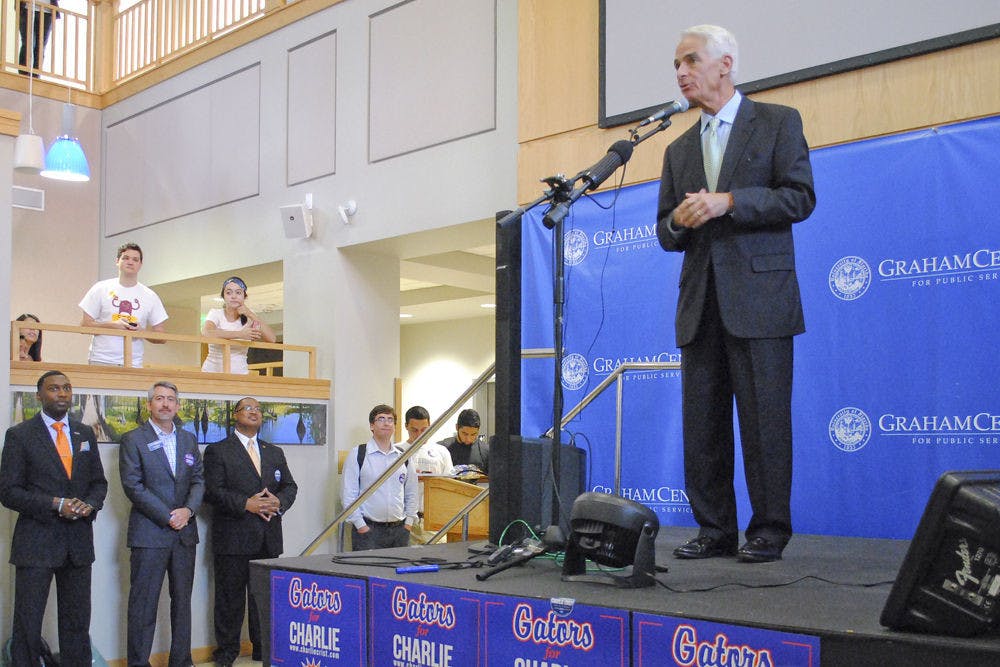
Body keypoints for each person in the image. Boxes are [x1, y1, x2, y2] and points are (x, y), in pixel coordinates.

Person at [656, 25, 816, 563]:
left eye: (690, 60)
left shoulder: (777, 122)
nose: (680, 72)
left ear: (725, 64)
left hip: (762, 302)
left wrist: (731, 202)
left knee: (765, 422)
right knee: (703, 428)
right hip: (700, 304)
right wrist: (679, 219)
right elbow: (664, 232)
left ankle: (769, 530)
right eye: (676, 64)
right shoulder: (677, 148)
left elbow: (799, 198)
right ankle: (714, 529)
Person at [0, 370, 108, 667]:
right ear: (39, 395)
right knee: (28, 623)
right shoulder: (20, 435)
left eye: (66, 388)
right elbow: (8, 492)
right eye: (54, 389)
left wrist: (90, 504)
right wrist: (55, 504)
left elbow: (99, 482)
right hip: (36, 543)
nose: (62, 394)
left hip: (78, 543)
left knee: (76, 623)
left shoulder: (84, 433)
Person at [204, 396, 297, 666]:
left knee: (264, 600)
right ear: (235, 414)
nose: (254, 412)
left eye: (258, 409)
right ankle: (227, 652)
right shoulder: (218, 450)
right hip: (233, 537)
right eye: (248, 408)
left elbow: (290, 486)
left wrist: (279, 502)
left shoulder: (273, 451)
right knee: (229, 600)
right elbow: (212, 491)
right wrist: (247, 504)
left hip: (268, 537)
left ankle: (262, 648)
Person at [119, 381, 204, 667]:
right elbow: (133, 485)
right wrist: (169, 515)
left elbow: (198, 481)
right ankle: (139, 662)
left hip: (184, 535)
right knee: (143, 605)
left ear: (178, 406)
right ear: (149, 405)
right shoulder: (133, 439)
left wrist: (189, 511)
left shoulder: (189, 439)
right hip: (149, 534)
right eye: (159, 399)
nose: (165, 404)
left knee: (182, 603)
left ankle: (181, 661)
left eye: (171, 399)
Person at [341, 405, 418, 551]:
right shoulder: (358, 454)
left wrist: (409, 522)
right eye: (381, 419)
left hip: (399, 531)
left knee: (397, 572)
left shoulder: (404, 456)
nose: (386, 423)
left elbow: (411, 492)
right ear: (372, 425)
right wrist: (360, 525)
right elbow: (348, 494)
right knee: (367, 572)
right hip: (368, 531)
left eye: (390, 420)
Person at [79, 242, 169, 367]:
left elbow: (162, 336)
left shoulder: (150, 296)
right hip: (101, 359)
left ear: (140, 264)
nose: (130, 262)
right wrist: (114, 325)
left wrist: (140, 331)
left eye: (135, 259)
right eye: (125, 258)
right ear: (117, 261)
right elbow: (84, 325)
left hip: (133, 362)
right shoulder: (101, 288)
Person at [201, 276, 277, 374]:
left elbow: (272, 339)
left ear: (244, 296)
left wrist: (250, 313)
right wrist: (240, 334)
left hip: (240, 373)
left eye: (238, 292)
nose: (233, 296)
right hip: (211, 372)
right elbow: (206, 333)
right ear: (223, 296)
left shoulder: (250, 317)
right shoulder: (216, 313)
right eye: (229, 293)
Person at [403, 406, 452, 544]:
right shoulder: (397, 451)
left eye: (424, 430)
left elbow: (450, 487)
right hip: (404, 522)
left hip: (433, 521)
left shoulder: (441, 452)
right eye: (414, 430)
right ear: (406, 426)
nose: (420, 434)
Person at [439, 408, 488, 474]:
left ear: (478, 430)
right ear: (457, 427)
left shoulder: (486, 451)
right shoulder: (441, 449)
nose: (469, 439)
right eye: (465, 434)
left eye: (473, 434)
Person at [17, 0, 59, 74]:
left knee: (41, 47)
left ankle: (36, 75)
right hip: (27, 8)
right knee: (28, 43)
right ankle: (23, 74)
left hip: (47, 11)